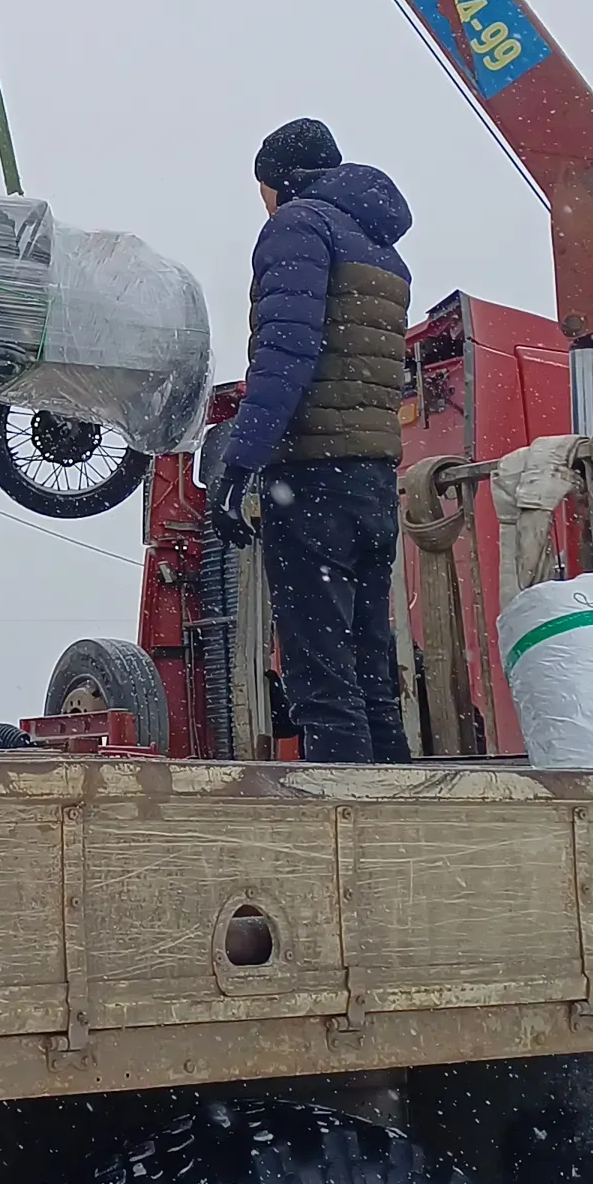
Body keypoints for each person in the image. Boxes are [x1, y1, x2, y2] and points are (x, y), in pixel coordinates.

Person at [209, 118, 415, 763]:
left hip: (313, 479)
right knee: (370, 667)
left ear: (283, 180)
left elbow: (285, 355)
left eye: (264, 191)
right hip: (373, 479)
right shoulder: (381, 247)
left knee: (320, 672)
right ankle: (399, 809)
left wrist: (238, 464)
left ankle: (343, 815)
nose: (266, 206)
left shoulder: (299, 226)